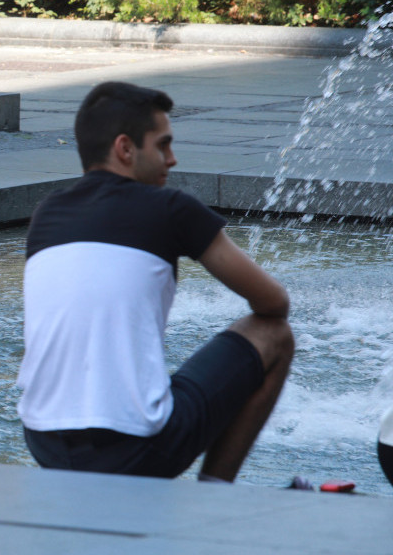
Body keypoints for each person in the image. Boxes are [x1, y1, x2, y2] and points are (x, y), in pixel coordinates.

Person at [16, 81, 294, 482]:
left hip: (43, 440)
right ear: (125, 149)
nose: (173, 158)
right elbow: (274, 303)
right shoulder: (172, 208)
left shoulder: (46, 213)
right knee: (275, 335)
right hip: (134, 450)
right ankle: (214, 490)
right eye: (162, 145)